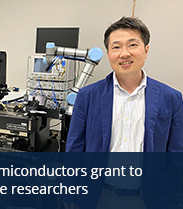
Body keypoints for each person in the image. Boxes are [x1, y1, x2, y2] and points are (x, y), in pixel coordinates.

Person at [64, 17, 183, 209]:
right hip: (98, 196)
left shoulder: (171, 98)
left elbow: (176, 154)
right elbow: (75, 148)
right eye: (116, 47)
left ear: (146, 50)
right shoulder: (87, 96)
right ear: (109, 53)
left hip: (150, 199)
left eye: (132, 45)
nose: (124, 53)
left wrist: (176, 196)